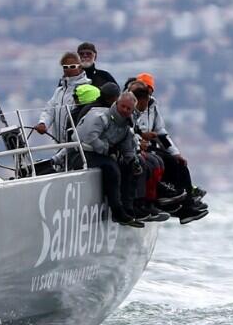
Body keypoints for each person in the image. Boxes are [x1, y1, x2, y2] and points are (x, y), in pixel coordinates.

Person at [129, 74, 208, 224]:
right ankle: (168, 198)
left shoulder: (152, 106)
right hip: (138, 146)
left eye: (148, 90)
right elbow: (129, 129)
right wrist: (140, 141)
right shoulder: (129, 103)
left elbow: (161, 133)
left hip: (148, 145)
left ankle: (187, 202)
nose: (146, 93)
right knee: (160, 162)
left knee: (178, 163)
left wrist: (176, 153)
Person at [76, 91, 145, 227]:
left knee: (131, 167)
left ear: (132, 110)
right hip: (82, 153)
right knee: (112, 168)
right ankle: (117, 212)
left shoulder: (126, 126)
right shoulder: (101, 117)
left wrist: (133, 162)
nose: (125, 110)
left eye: (128, 109)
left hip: (102, 154)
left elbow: (127, 148)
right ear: (117, 104)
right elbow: (90, 138)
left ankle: (129, 209)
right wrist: (107, 149)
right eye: (123, 106)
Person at [35, 52, 90, 142]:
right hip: (59, 143)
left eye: (72, 66)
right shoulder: (59, 91)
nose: (68, 69)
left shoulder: (87, 88)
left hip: (78, 144)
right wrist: (43, 123)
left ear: (80, 67)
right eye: (65, 67)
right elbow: (50, 110)